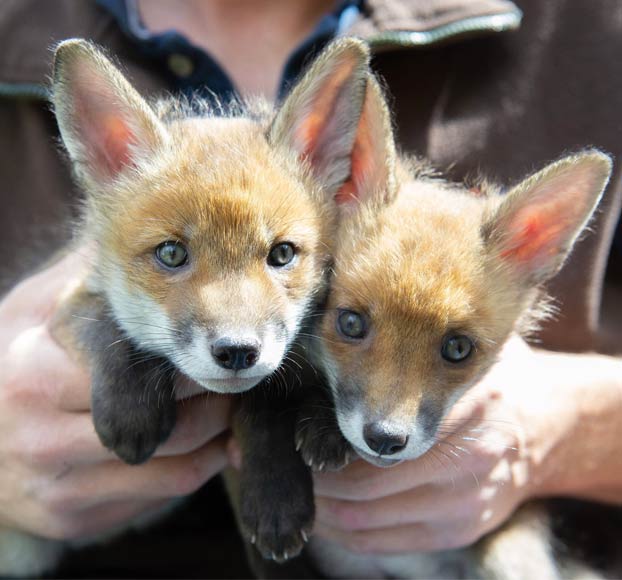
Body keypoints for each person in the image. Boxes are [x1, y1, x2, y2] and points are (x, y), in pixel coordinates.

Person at [0, 0, 621, 576]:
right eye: (171, 254)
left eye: (282, 255)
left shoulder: (587, 27)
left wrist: (568, 430)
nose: (238, 329)